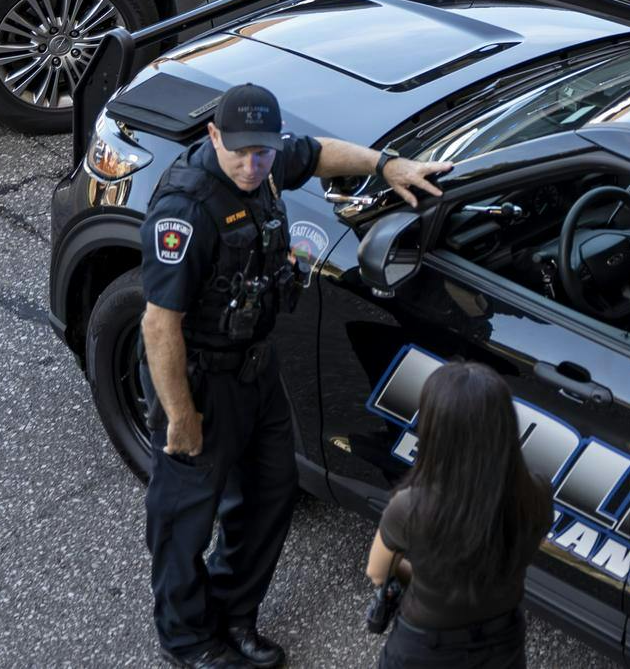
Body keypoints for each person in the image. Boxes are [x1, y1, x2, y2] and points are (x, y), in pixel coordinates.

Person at [142, 83, 451, 669]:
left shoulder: (267, 159)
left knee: (269, 493)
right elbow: (159, 326)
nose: (252, 165)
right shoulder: (187, 208)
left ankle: (234, 613)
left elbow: (319, 153)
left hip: (257, 369)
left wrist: (387, 165)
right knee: (186, 514)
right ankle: (187, 639)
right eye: (240, 153)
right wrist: (181, 416)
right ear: (214, 136)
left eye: (262, 153)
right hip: (200, 381)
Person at [367, 362, 553, 669]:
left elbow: (378, 571)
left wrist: (429, 575)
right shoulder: (537, 493)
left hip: (426, 649)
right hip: (502, 643)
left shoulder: (410, 507)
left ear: (435, 431)